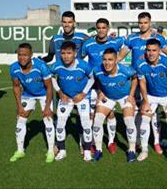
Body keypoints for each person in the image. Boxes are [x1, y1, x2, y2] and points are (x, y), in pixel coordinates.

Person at [118, 12, 167, 154]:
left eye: (145, 22)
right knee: (137, 111)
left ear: (150, 23)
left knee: (153, 114)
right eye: (140, 23)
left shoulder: (158, 38)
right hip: (137, 80)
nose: (142, 25)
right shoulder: (132, 38)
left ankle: (156, 142)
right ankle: (136, 141)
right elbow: (120, 56)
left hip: (154, 81)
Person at [82, 18, 125, 154]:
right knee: (92, 115)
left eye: (103, 27)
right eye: (98, 28)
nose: (101, 30)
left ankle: (111, 141)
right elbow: (81, 61)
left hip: (107, 84)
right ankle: (94, 142)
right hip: (92, 84)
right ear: (96, 28)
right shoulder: (88, 44)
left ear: (108, 28)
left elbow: (127, 47)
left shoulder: (115, 42)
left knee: (110, 113)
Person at [9, 43, 55, 163]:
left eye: (25, 55)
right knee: (20, 119)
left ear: (31, 55)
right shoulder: (14, 68)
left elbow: (49, 87)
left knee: (48, 119)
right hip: (28, 95)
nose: (22, 58)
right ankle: (20, 151)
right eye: (19, 55)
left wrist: (47, 107)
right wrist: (19, 106)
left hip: (44, 94)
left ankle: (50, 151)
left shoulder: (41, 66)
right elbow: (16, 87)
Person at [50, 41, 95, 162]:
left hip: (82, 97)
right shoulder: (57, 65)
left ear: (75, 54)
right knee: (60, 123)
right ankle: (62, 150)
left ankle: (86, 151)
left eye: (69, 53)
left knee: (86, 123)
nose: (66, 56)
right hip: (66, 98)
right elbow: (51, 78)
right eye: (63, 53)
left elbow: (92, 78)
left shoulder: (83, 65)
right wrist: (59, 92)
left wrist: (84, 93)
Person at [92, 48, 137, 163]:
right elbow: (97, 80)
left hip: (124, 97)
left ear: (116, 59)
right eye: (105, 60)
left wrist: (131, 95)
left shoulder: (126, 70)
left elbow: (135, 78)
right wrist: (100, 92)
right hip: (108, 97)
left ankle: (131, 150)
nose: (107, 63)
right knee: (97, 121)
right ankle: (98, 150)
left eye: (110, 60)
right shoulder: (97, 70)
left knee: (128, 120)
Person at [136, 39, 167, 162]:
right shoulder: (141, 64)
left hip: (166, 96)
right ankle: (144, 150)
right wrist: (146, 101)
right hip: (151, 96)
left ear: (159, 51)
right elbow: (142, 83)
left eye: (154, 50)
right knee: (144, 120)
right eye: (148, 50)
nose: (151, 53)